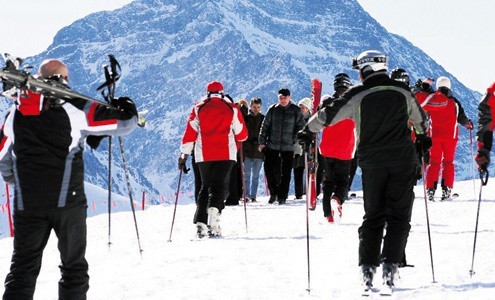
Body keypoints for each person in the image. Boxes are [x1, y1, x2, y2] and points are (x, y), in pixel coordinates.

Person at [0, 59, 138, 300]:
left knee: (22, 268)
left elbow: (2, 154)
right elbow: (124, 123)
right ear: (62, 79)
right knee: (73, 267)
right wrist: (126, 104)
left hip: (27, 204)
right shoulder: (76, 109)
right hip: (68, 203)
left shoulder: (15, 112)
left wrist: (15, 182)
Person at [300, 50, 430, 290]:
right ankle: (391, 268)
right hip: (403, 160)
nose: (358, 74)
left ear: (366, 69)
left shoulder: (358, 94)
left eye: (359, 70)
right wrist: (422, 139)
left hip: (372, 163)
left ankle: (368, 271)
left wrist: (308, 130)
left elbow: (328, 115)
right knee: (399, 217)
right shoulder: (402, 92)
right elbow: (421, 120)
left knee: (373, 217)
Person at [178, 81, 247, 238]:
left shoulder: (198, 107)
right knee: (219, 186)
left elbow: (189, 134)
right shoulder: (231, 108)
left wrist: (184, 155)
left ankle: (201, 223)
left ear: (207, 92)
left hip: (204, 154)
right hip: (225, 153)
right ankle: (214, 216)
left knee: (205, 186)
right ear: (222, 92)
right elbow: (242, 134)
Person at [422, 76, 472, 201]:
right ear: (449, 86)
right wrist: (469, 125)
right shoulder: (454, 102)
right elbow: (462, 118)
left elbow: (425, 115)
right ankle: (446, 190)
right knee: (448, 162)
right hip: (450, 137)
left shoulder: (433, 99)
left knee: (434, 163)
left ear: (438, 86)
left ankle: (430, 190)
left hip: (435, 136)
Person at [318, 73, 355, 223]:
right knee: (343, 182)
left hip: (327, 148)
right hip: (344, 149)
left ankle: (328, 214)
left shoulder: (326, 101)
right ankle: (337, 198)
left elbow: (319, 120)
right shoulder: (352, 103)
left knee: (328, 181)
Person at [258, 88, 305, 204]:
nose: (283, 100)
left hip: (288, 147)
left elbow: (301, 126)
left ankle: (282, 196)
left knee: (286, 172)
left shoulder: (295, 110)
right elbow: (265, 126)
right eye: (280, 98)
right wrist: (261, 142)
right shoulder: (273, 109)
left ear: (289, 97)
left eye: (285, 98)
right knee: (269, 169)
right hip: (272, 145)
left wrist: (294, 139)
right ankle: (273, 192)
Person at [242, 97, 264, 202]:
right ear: (251, 106)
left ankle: (253, 195)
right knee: (247, 174)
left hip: (259, 152)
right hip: (247, 150)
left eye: (258, 107)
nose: (256, 109)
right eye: (254, 107)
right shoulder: (246, 118)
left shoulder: (263, 119)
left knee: (255, 175)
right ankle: (245, 195)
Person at [293, 97, 312, 200]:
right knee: (298, 170)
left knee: (310, 171)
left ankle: (310, 192)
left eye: (303, 107)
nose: (301, 109)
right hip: (297, 148)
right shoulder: (295, 118)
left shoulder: (312, 119)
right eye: (300, 106)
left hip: (309, 148)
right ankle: (298, 193)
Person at [476, 81, 495, 172]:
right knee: (484, 151)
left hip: (484, 131)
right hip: (486, 131)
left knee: (483, 151)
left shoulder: (486, 98)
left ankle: (482, 167)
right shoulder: (490, 99)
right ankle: (482, 167)